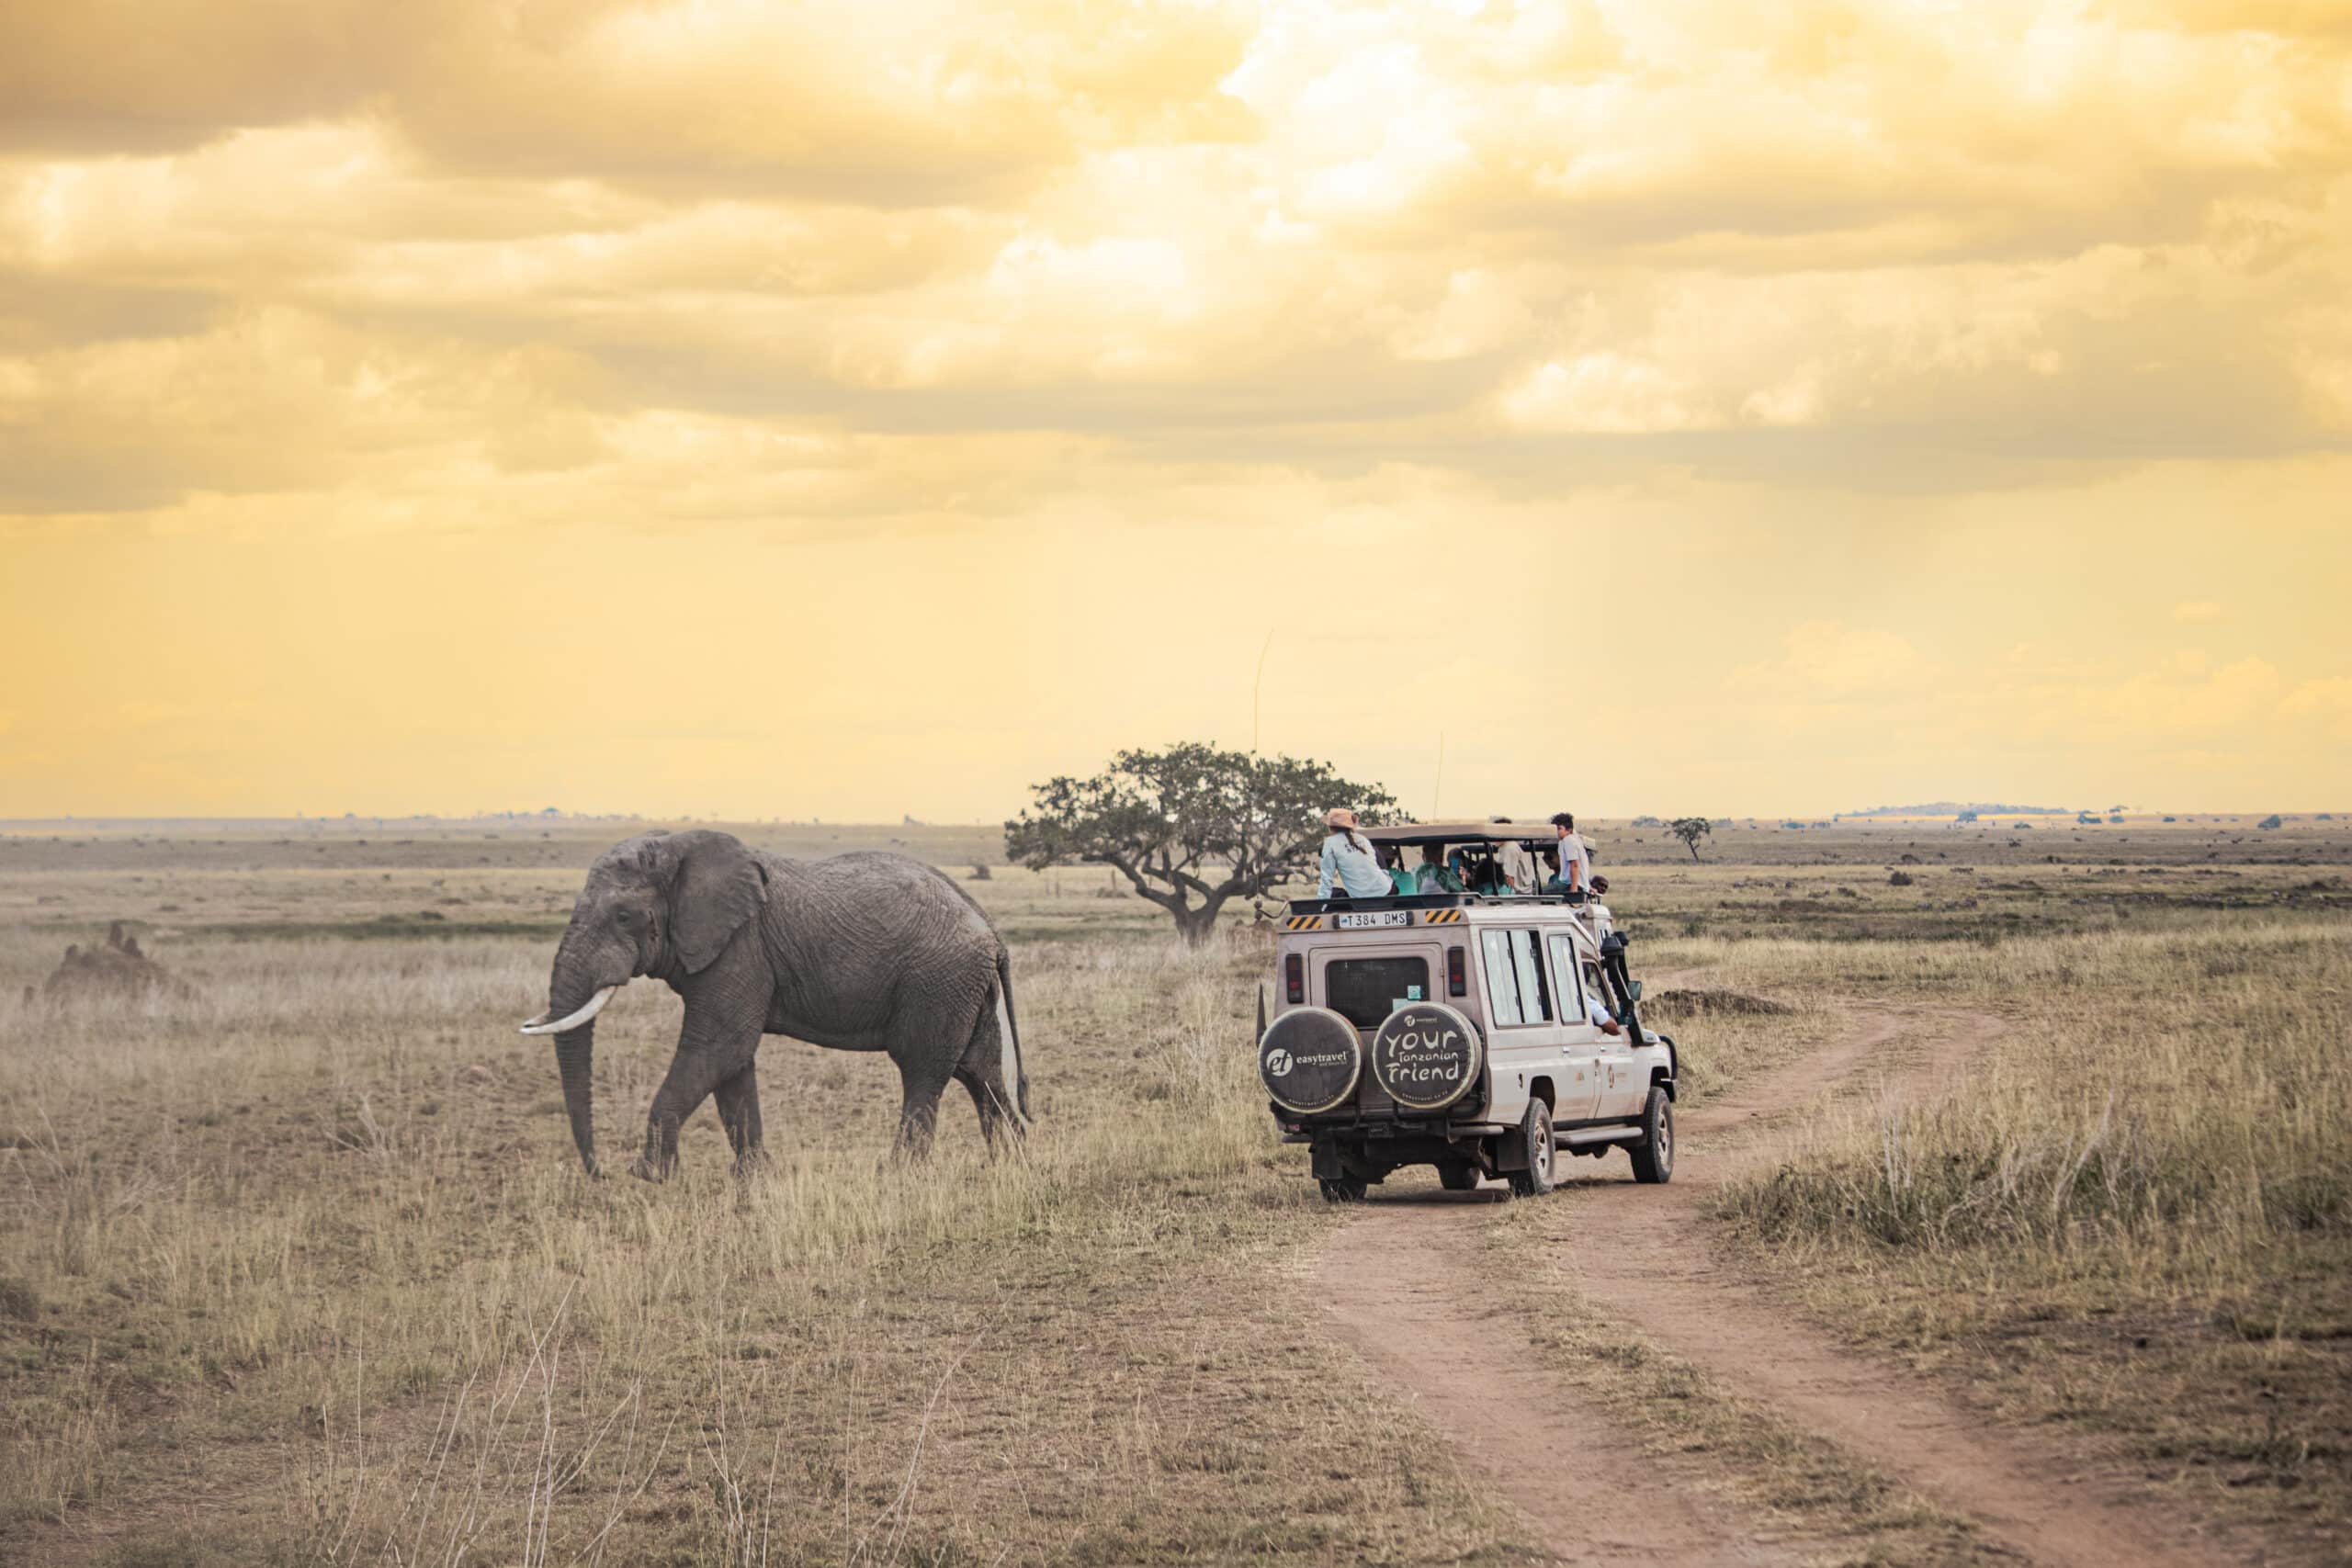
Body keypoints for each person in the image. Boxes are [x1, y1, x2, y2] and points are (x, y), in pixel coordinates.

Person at [1317, 808, 1392, 899]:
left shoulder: (1330, 843)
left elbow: (1327, 879)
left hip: (1360, 898)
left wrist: (1321, 906)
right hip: (1387, 890)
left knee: (1334, 893)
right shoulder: (1363, 839)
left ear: (1330, 827)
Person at [1550, 811, 1591, 893]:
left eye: (1559, 828)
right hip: (1576, 884)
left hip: (1569, 884)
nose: (1557, 831)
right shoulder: (1574, 840)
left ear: (1569, 830)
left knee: (1539, 893)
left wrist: (1573, 891)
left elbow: (1575, 865)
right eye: (1555, 829)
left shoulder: (1568, 840)